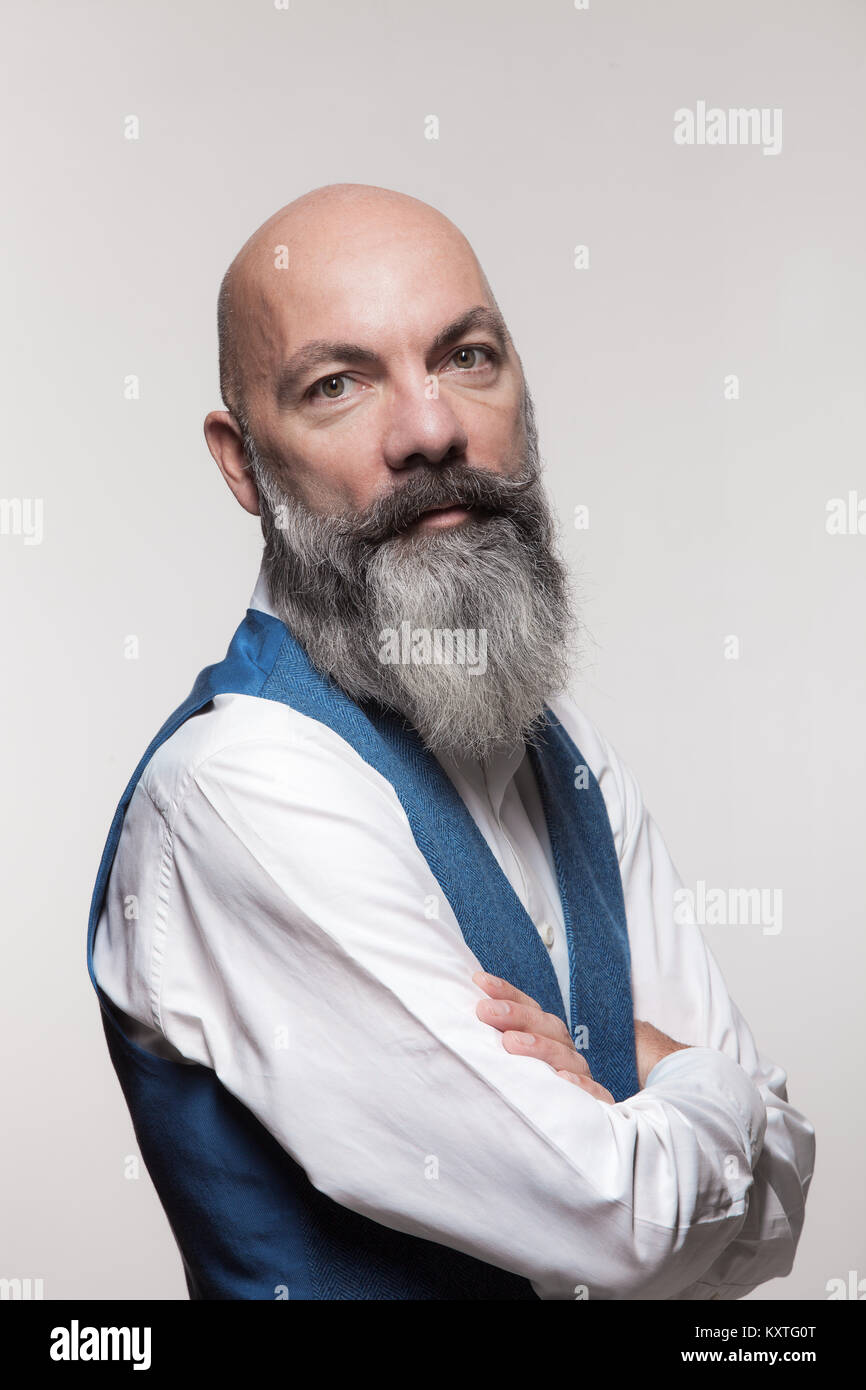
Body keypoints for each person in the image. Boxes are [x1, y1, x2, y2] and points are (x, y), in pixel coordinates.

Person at [88, 183, 814, 1300]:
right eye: (337, 384)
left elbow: (767, 1225)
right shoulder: (240, 793)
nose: (430, 429)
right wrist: (698, 1080)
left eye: (466, 357)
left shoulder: (559, 751)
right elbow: (625, 1227)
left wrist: (670, 1115)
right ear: (242, 463)